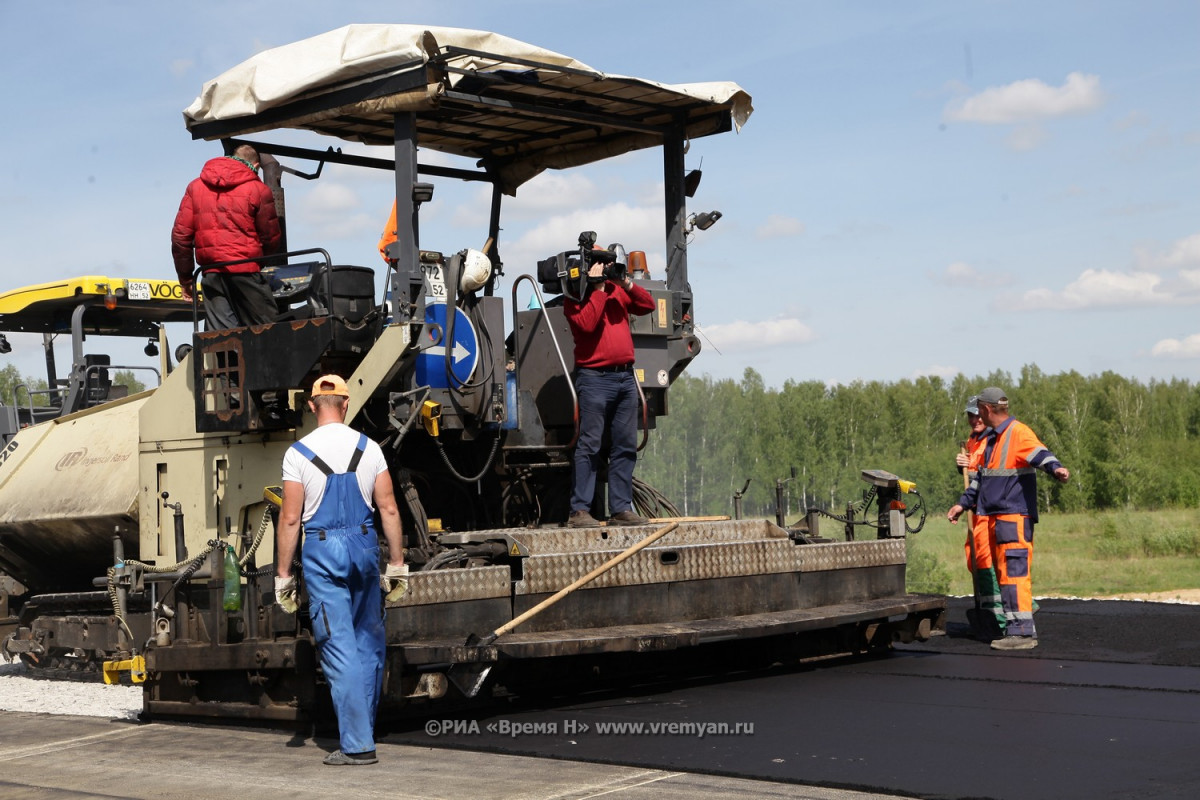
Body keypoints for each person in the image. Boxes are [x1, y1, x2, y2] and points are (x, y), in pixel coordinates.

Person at [273, 374, 407, 765]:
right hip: (365, 548)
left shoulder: (297, 454)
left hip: (323, 551)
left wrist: (283, 575)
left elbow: (291, 518)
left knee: (338, 646)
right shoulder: (371, 449)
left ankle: (358, 745)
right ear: (346, 404)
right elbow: (389, 509)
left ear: (313, 406)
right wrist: (397, 564)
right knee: (368, 642)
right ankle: (363, 728)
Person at [948, 386, 1069, 651]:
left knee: (1015, 575)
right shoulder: (991, 439)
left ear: (988, 409)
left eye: (979, 410)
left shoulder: (1018, 433)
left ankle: (1023, 634)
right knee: (1005, 576)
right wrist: (962, 505)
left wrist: (1055, 468)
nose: (976, 415)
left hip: (1013, 517)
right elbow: (981, 479)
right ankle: (1012, 629)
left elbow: (1040, 453)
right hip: (994, 518)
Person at [563, 255, 656, 528]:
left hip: (625, 378)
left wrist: (625, 283)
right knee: (590, 444)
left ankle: (620, 509)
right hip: (594, 379)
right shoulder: (575, 300)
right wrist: (598, 290)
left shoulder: (617, 291)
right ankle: (579, 510)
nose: (605, 272)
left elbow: (648, 305)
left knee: (625, 445)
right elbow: (588, 324)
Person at [171, 143, 283, 330]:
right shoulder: (259, 189)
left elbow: (180, 237)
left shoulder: (195, 187)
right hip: (246, 271)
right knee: (267, 332)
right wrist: (260, 260)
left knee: (223, 338)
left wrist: (186, 279)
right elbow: (270, 236)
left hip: (212, 273)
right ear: (256, 166)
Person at [956, 396, 1004, 640]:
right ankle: (988, 612)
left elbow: (987, 475)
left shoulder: (994, 440)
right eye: (970, 415)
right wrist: (962, 465)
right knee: (973, 558)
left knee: (986, 559)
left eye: (977, 415)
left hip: (989, 510)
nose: (974, 419)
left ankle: (1000, 617)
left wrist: (970, 467)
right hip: (974, 509)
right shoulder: (973, 441)